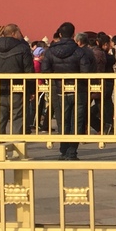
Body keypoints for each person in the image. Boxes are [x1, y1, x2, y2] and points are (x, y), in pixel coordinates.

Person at [39, 22, 92, 161]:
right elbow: (85, 72)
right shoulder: (80, 51)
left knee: (63, 120)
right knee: (77, 121)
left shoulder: (50, 51)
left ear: (60, 34)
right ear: (74, 35)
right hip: (78, 90)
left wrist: (56, 80)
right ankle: (72, 151)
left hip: (59, 90)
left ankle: (63, 150)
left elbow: (45, 70)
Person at [0, 23, 35, 134]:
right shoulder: (23, 48)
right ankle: (18, 146)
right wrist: (31, 90)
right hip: (18, 88)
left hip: (0, 89)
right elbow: (29, 71)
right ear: (13, 33)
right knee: (18, 118)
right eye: (19, 32)